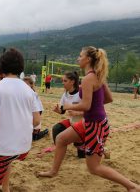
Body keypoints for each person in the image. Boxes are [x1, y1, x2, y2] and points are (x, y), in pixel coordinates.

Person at [38, 46, 140, 192]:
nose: (78, 58)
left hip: (95, 124)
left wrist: (68, 106)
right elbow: (108, 99)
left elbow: (86, 105)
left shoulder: (88, 79)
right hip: (90, 122)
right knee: (61, 139)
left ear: (88, 59)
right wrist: (93, 106)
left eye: (80, 56)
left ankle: (132, 187)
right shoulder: (98, 76)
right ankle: (53, 171)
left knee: (94, 168)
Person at [0, 48, 41, 192]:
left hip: (4, 146)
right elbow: (37, 120)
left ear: (1, 66)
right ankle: (6, 188)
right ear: (21, 67)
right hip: (23, 146)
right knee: (6, 161)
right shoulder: (29, 90)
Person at [52, 71, 85, 158]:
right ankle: (60, 149)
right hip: (72, 122)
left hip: (83, 124)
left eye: (65, 81)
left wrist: (77, 112)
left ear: (72, 81)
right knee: (56, 128)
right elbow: (62, 111)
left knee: (81, 155)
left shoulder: (81, 93)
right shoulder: (65, 94)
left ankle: (100, 148)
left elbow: (90, 110)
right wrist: (57, 110)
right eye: (62, 80)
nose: (63, 83)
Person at [23, 76, 49, 141]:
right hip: (26, 118)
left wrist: (32, 124)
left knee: (34, 138)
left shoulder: (33, 94)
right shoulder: (22, 94)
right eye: (23, 84)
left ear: (31, 85)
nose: (25, 86)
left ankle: (45, 131)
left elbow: (39, 111)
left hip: (35, 118)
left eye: (27, 84)